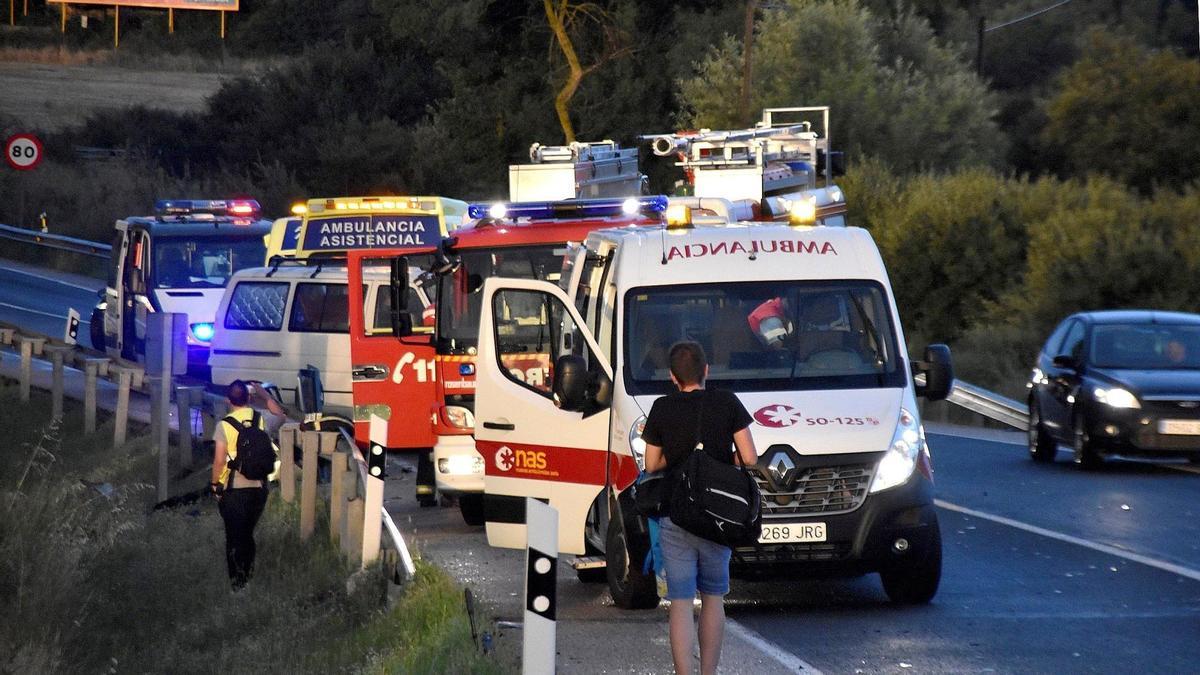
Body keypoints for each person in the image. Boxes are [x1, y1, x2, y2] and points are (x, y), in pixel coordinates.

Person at [641, 342, 757, 675]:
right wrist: (720, 463)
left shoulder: (662, 407)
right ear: (707, 370)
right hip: (717, 517)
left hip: (677, 514)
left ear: (672, 377)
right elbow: (749, 457)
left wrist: (679, 458)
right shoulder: (726, 401)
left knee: (679, 601)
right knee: (713, 598)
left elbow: (651, 465)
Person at [210, 379, 286, 589]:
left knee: (234, 539)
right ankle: (248, 579)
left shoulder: (224, 426)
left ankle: (238, 585)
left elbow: (218, 461)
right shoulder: (260, 420)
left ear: (228, 400)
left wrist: (215, 485)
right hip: (259, 490)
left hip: (233, 491)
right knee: (247, 535)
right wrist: (265, 394)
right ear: (249, 397)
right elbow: (280, 414)